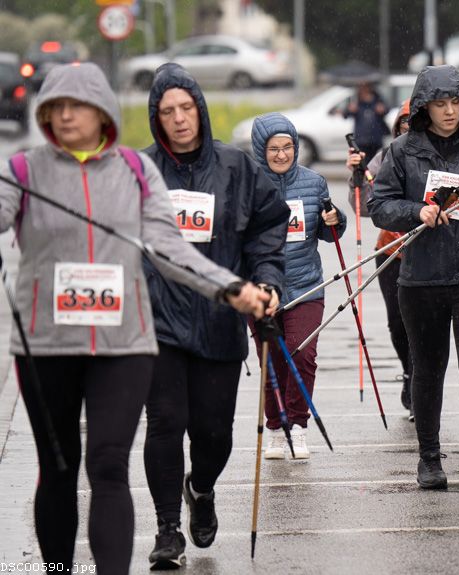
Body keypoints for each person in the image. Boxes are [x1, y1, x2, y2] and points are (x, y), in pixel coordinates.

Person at [0, 62, 269, 575]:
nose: (65, 116)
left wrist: (231, 289)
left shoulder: (136, 171)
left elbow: (168, 247)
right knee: (58, 471)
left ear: (103, 112)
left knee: (107, 465)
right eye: (54, 108)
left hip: (122, 344)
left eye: (77, 106)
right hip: (45, 347)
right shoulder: (23, 170)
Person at [142, 63, 290, 569]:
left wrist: (267, 282)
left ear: (200, 110)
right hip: (157, 320)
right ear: (155, 118)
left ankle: (200, 489)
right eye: (168, 112)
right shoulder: (139, 173)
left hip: (219, 319)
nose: (179, 119)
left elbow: (268, 229)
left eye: (186, 108)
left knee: (213, 432)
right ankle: (166, 530)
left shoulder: (236, 167)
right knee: (165, 422)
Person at [369, 65, 459, 492]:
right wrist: (417, 211)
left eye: (455, 102)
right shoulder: (402, 150)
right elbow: (379, 205)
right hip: (421, 278)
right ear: (423, 107)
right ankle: (429, 459)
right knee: (428, 370)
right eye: (440, 104)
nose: (449, 111)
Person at [250, 112, 346, 460]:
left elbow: (328, 231)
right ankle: (275, 427)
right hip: (262, 288)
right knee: (272, 360)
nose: (281, 154)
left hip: (306, 284)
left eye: (287, 147)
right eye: (273, 148)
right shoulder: (248, 183)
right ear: (261, 150)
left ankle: (298, 424)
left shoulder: (314, 182)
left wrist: (335, 219)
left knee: (302, 352)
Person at [346, 99, 414, 419]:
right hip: (390, 253)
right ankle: (410, 372)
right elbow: (361, 205)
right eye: (404, 123)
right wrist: (358, 176)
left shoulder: (440, 158)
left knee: (424, 326)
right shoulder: (384, 157)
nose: (409, 128)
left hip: (428, 254)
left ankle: (424, 382)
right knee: (397, 324)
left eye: (415, 121)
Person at [343, 81, 389, 158]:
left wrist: (383, 109)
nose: (363, 90)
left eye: (366, 87)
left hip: (375, 137)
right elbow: (345, 114)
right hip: (361, 138)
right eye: (361, 87)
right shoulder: (355, 100)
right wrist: (350, 109)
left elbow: (387, 109)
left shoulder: (377, 99)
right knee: (362, 161)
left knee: (375, 161)